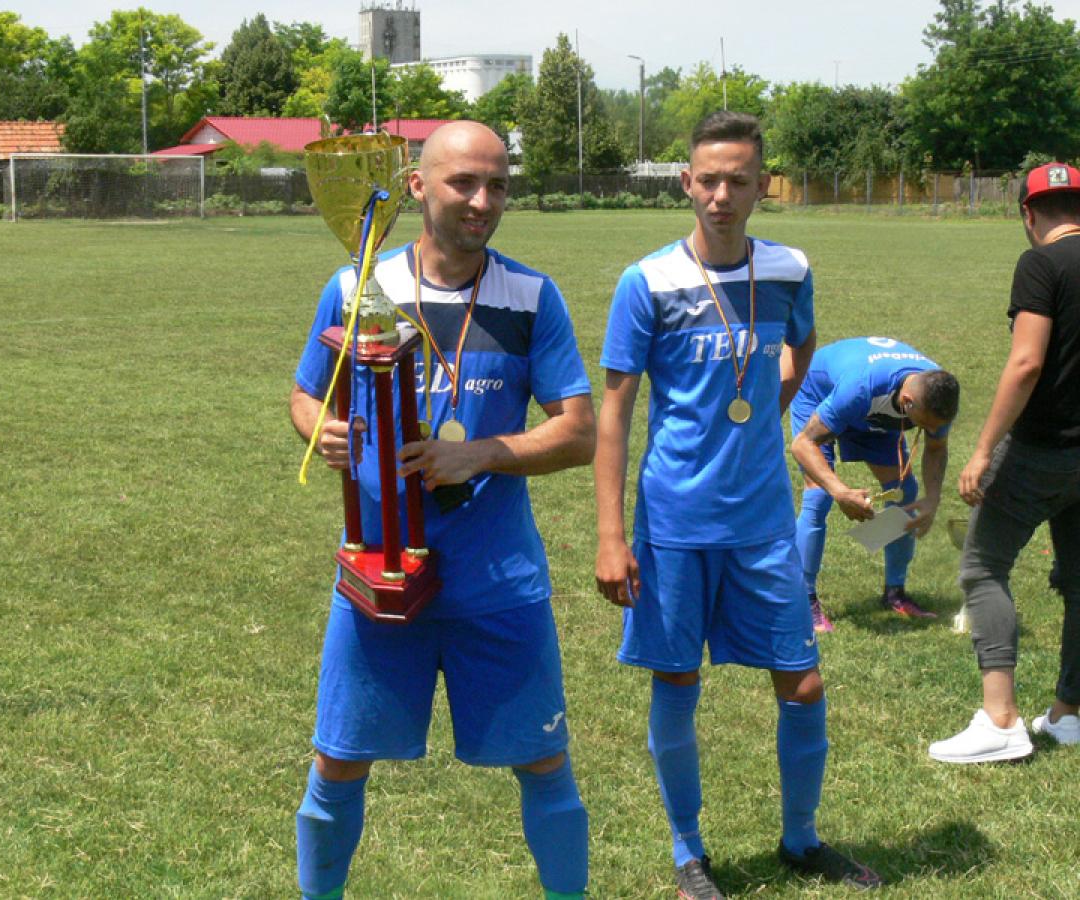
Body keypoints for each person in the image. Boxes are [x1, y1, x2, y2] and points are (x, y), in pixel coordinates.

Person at [289, 122, 596, 898]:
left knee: (544, 762)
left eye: (498, 185)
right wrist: (323, 428)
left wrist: (481, 453)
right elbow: (305, 394)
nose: (483, 201)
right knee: (337, 760)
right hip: (379, 576)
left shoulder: (532, 296)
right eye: (464, 182)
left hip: (497, 581)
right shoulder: (358, 287)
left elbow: (579, 432)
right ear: (419, 186)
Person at [594, 111, 881, 898]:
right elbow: (614, 415)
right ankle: (689, 853)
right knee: (676, 682)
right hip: (675, 522)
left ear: (761, 187)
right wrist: (611, 536)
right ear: (687, 183)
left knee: (803, 683)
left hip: (762, 522)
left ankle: (801, 840)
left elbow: (803, 343)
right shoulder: (647, 282)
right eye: (709, 180)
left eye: (739, 181)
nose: (722, 195)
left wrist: (771, 401)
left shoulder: (789, 268)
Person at [929, 162, 1080, 764]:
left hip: (1041, 450)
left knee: (982, 566)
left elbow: (1026, 363)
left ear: (1026, 213)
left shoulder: (1040, 264)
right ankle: (1069, 714)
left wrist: (984, 447)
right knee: (1079, 580)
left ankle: (1001, 720)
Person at [789, 337, 960, 631]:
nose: (930, 431)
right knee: (819, 497)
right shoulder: (861, 387)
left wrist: (933, 499)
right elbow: (802, 444)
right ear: (907, 402)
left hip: (874, 410)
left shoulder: (938, 396)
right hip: (820, 393)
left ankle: (895, 593)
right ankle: (804, 601)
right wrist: (841, 492)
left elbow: (936, 448)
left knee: (906, 494)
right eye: (924, 425)